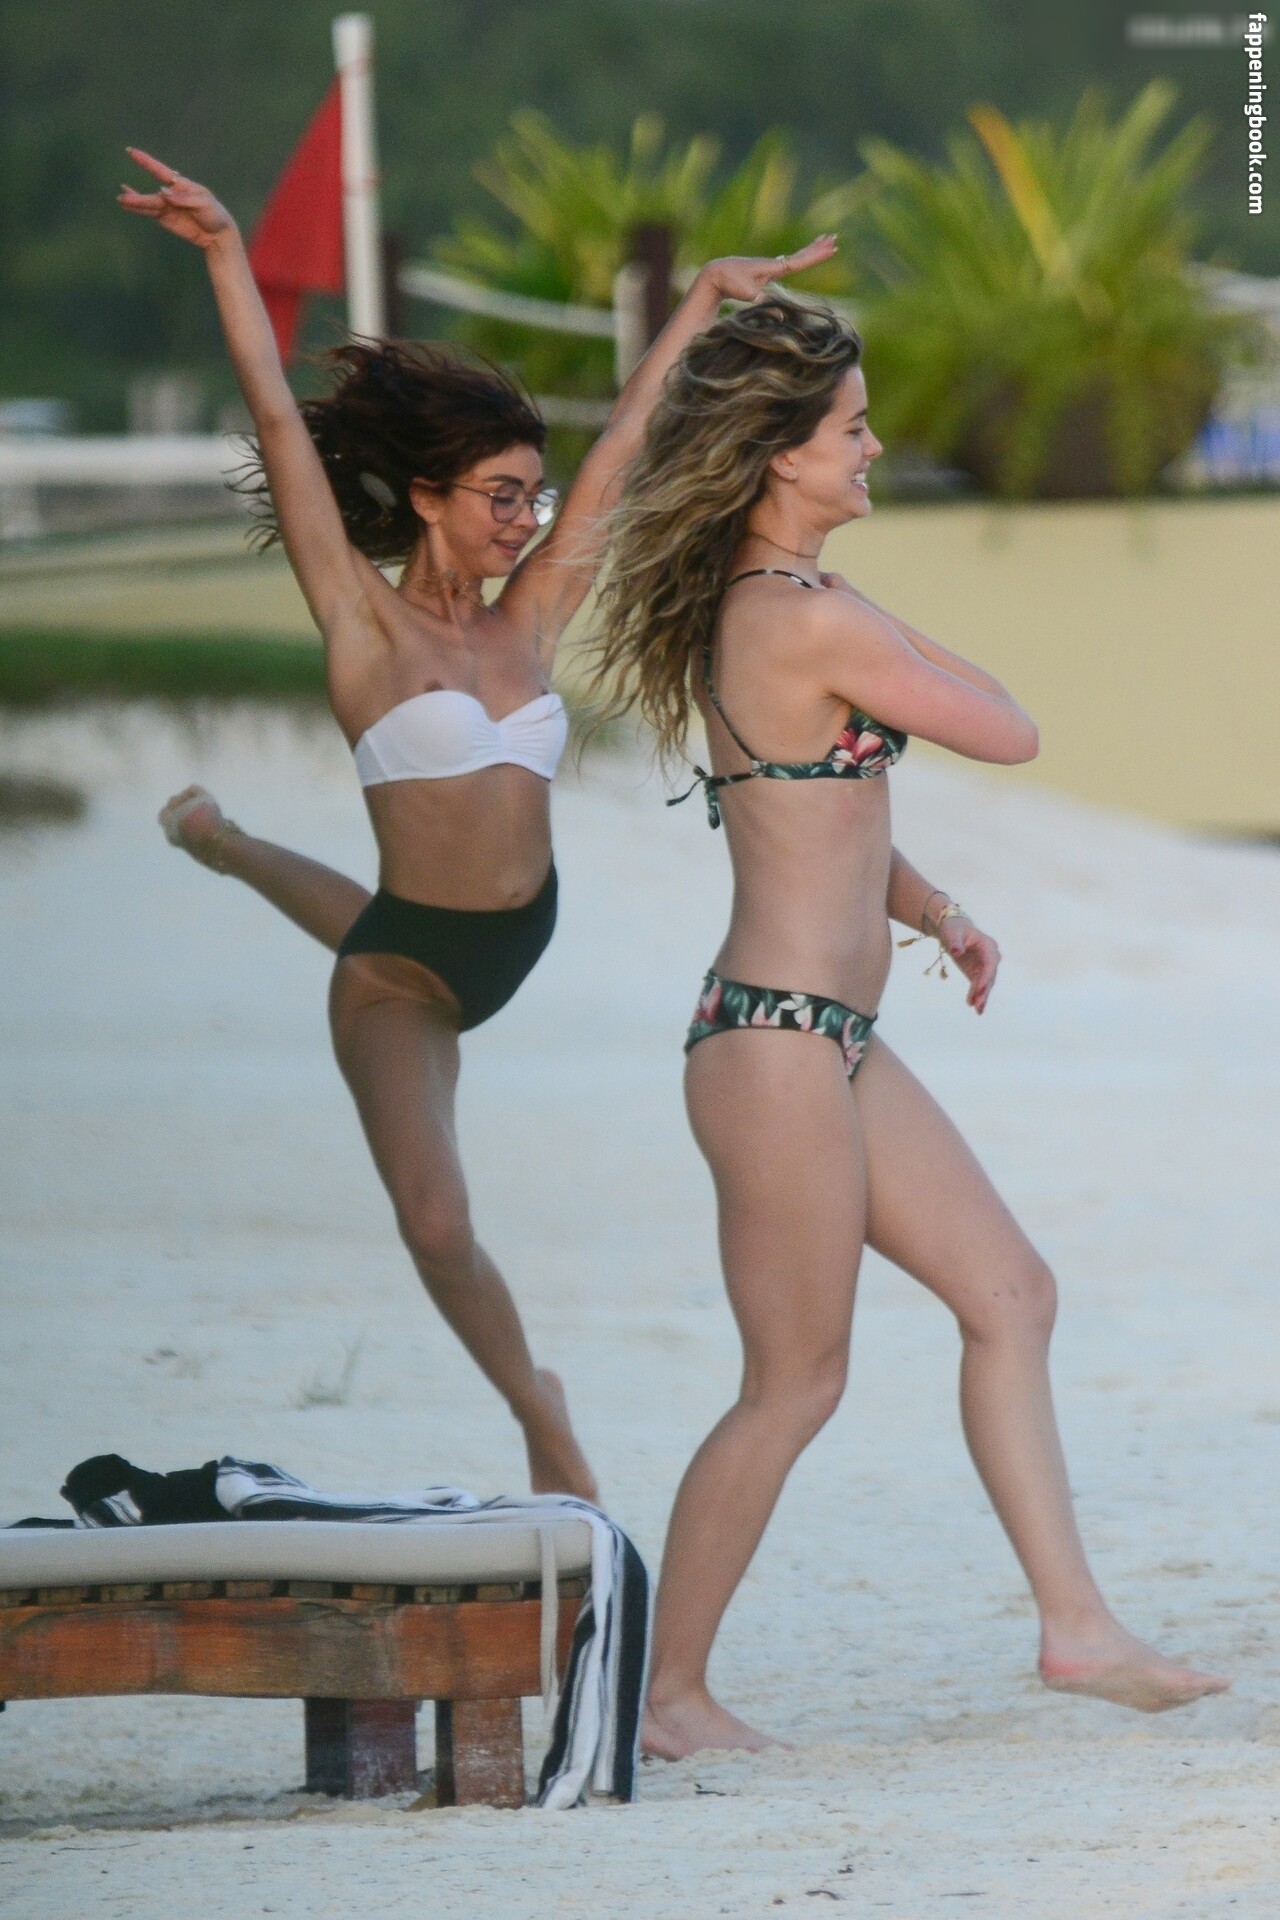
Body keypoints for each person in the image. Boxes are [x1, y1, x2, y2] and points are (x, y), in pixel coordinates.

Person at [120, 146, 836, 1501]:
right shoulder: (362, 626)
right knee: (438, 1222)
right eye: (501, 496)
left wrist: (699, 302)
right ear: (427, 498)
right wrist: (223, 251)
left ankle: (221, 839)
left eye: (529, 497)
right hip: (405, 981)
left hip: (515, 933)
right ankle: (537, 1409)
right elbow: (277, 420)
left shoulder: (529, 620)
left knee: (389, 910)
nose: (523, 520)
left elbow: (621, 452)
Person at [586, 293, 1230, 1754]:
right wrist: (886, 623)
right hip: (774, 1046)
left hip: (827, 1040)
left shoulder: (790, 607)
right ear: (782, 457)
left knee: (1011, 1291)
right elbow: (1009, 727)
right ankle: (669, 1696)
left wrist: (934, 912)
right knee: (794, 1383)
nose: (873, 448)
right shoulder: (800, 616)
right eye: (852, 429)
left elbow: (822, 818)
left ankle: (1076, 1629)